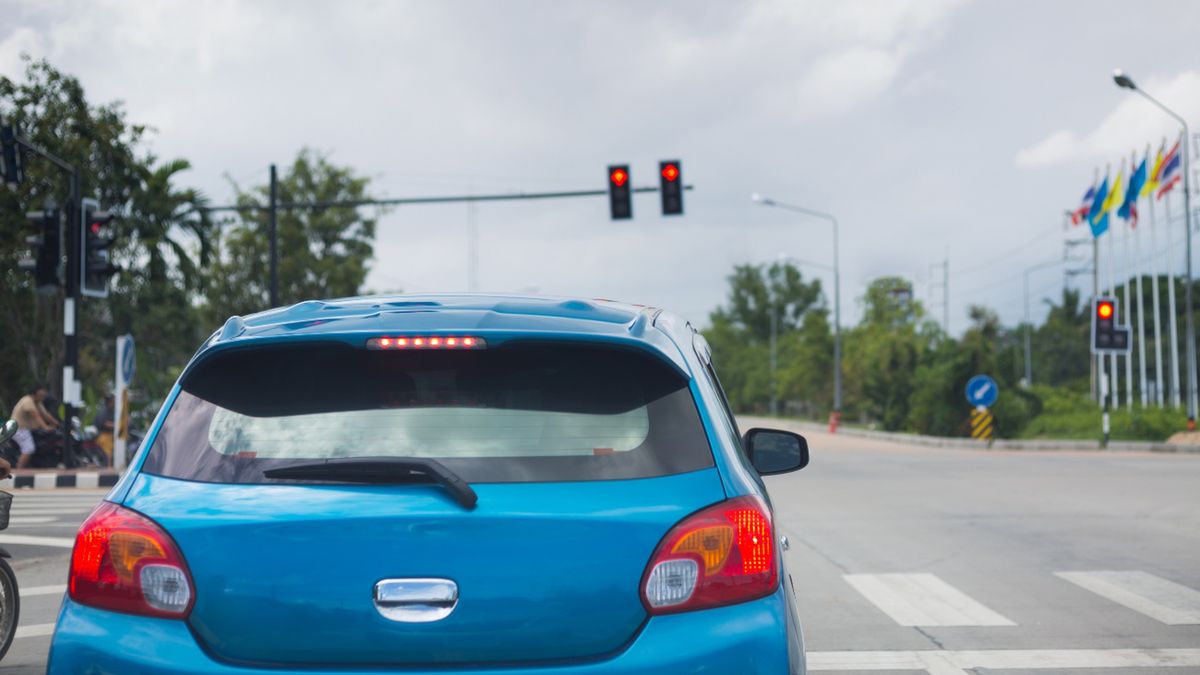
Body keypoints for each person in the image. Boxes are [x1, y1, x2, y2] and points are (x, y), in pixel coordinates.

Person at [11, 384, 59, 470]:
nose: (43, 396)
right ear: (34, 393)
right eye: (41, 395)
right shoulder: (28, 401)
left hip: (28, 430)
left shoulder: (37, 402)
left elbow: (46, 415)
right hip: (19, 429)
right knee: (29, 448)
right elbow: (36, 416)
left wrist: (58, 424)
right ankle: (18, 470)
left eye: (44, 395)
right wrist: (45, 427)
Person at [94, 394, 115, 465]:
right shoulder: (103, 411)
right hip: (104, 435)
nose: (114, 403)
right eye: (113, 401)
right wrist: (115, 425)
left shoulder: (111, 411)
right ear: (109, 402)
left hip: (109, 435)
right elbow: (104, 422)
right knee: (108, 453)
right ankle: (108, 468)